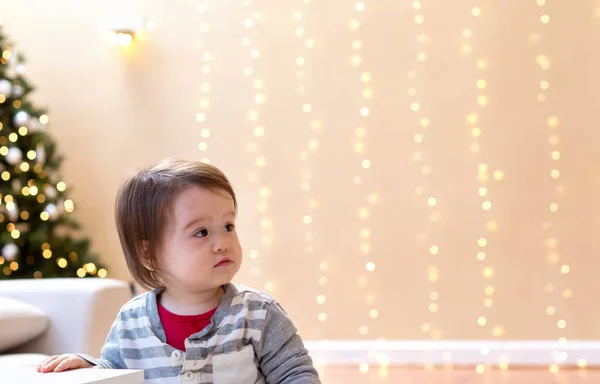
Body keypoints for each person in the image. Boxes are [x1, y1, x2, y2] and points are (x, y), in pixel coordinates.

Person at [37, 158, 321, 384]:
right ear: (149, 253)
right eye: (201, 232)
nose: (222, 243)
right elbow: (116, 371)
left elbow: (296, 374)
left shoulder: (258, 313)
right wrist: (91, 366)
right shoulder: (131, 320)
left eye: (228, 227)